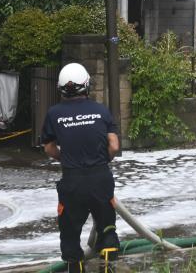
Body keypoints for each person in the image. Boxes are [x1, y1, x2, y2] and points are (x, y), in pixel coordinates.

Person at [41, 63, 121, 273]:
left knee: (70, 234)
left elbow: (49, 147)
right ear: (86, 85)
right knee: (107, 228)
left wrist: (64, 157)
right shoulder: (100, 110)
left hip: (72, 181)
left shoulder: (54, 113)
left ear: (61, 88)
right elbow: (114, 145)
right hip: (100, 178)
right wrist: (103, 160)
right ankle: (108, 268)